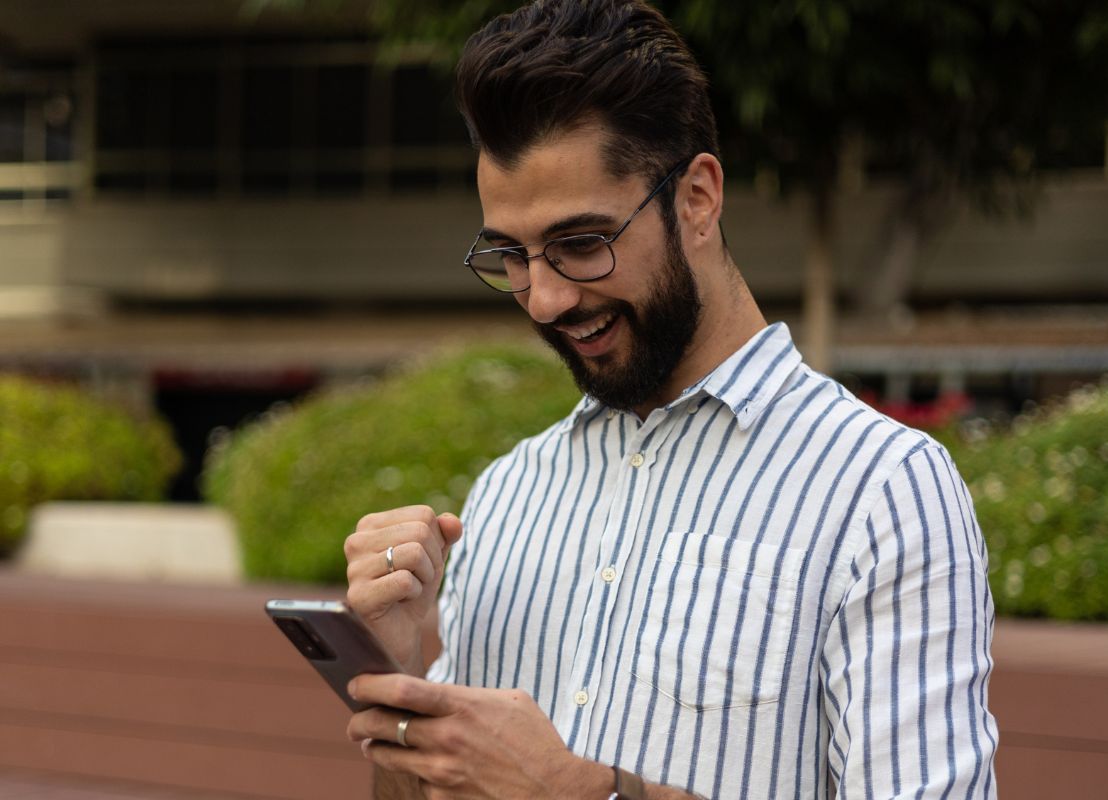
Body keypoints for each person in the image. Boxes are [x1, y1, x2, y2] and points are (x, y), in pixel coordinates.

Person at [342, 1, 999, 797]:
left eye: (581, 244)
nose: (544, 299)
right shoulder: (508, 492)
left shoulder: (883, 490)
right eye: (511, 255)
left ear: (697, 198)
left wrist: (583, 791)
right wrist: (403, 677)